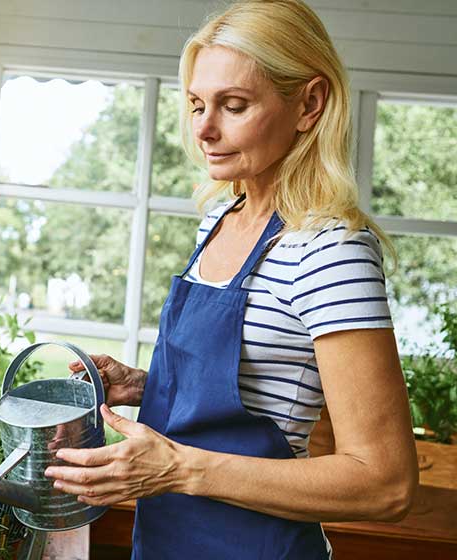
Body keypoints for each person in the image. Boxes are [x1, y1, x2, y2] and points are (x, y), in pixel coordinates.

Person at [42, 1, 419, 558]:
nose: (204, 129)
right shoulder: (218, 221)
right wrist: (150, 386)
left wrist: (176, 468)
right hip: (168, 541)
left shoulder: (330, 250)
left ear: (309, 104)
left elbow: (386, 483)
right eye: (196, 105)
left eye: (234, 105)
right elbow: (259, 391)